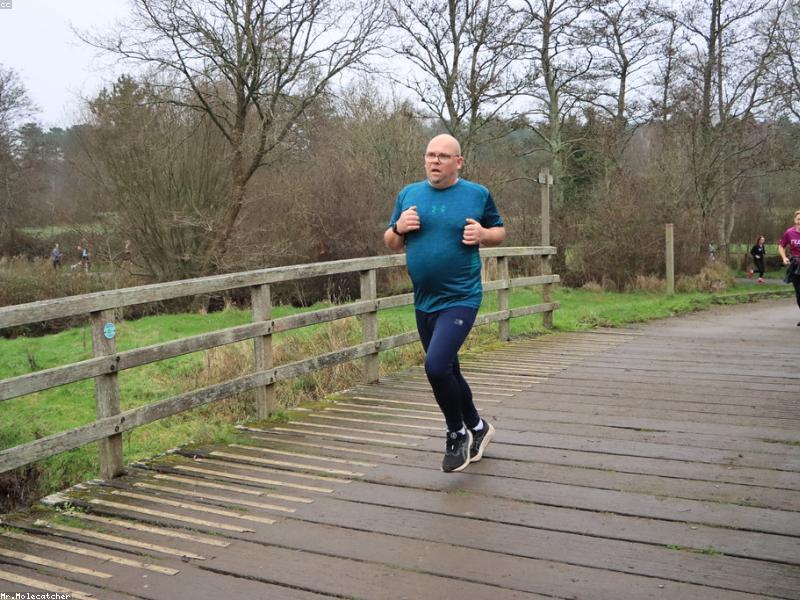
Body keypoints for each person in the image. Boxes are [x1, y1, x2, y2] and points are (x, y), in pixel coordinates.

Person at [384, 134, 506, 473]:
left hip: (461, 297)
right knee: (449, 370)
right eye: (429, 155)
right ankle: (479, 428)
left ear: (458, 162)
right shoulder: (409, 194)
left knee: (436, 366)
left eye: (442, 156)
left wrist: (483, 234)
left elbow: (499, 231)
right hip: (424, 301)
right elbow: (391, 242)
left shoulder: (476, 194)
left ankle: (456, 434)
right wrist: (398, 227)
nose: (434, 161)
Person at [778, 209, 800, 326]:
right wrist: (784, 257)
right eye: (798, 219)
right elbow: (781, 246)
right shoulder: (789, 233)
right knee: (799, 293)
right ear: (795, 220)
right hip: (795, 265)